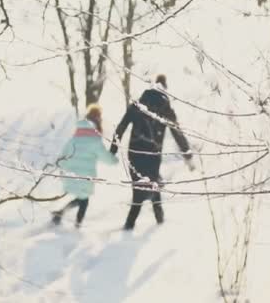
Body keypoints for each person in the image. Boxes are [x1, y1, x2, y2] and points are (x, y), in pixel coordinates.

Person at [110, 74, 195, 230]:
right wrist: (187, 155)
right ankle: (148, 225)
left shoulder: (138, 104)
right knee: (148, 188)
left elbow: (121, 126)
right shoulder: (166, 108)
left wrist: (113, 149)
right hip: (152, 155)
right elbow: (177, 133)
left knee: (143, 188)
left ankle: (155, 223)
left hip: (134, 153)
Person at [53, 104, 118, 227]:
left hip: (72, 174)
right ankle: (77, 224)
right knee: (84, 200)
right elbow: (106, 157)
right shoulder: (94, 140)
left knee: (81, 199)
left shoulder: (74, 138)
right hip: (85, 176)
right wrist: (114, 160)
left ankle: (61, 214)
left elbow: (62, 156)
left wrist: (62, 169)